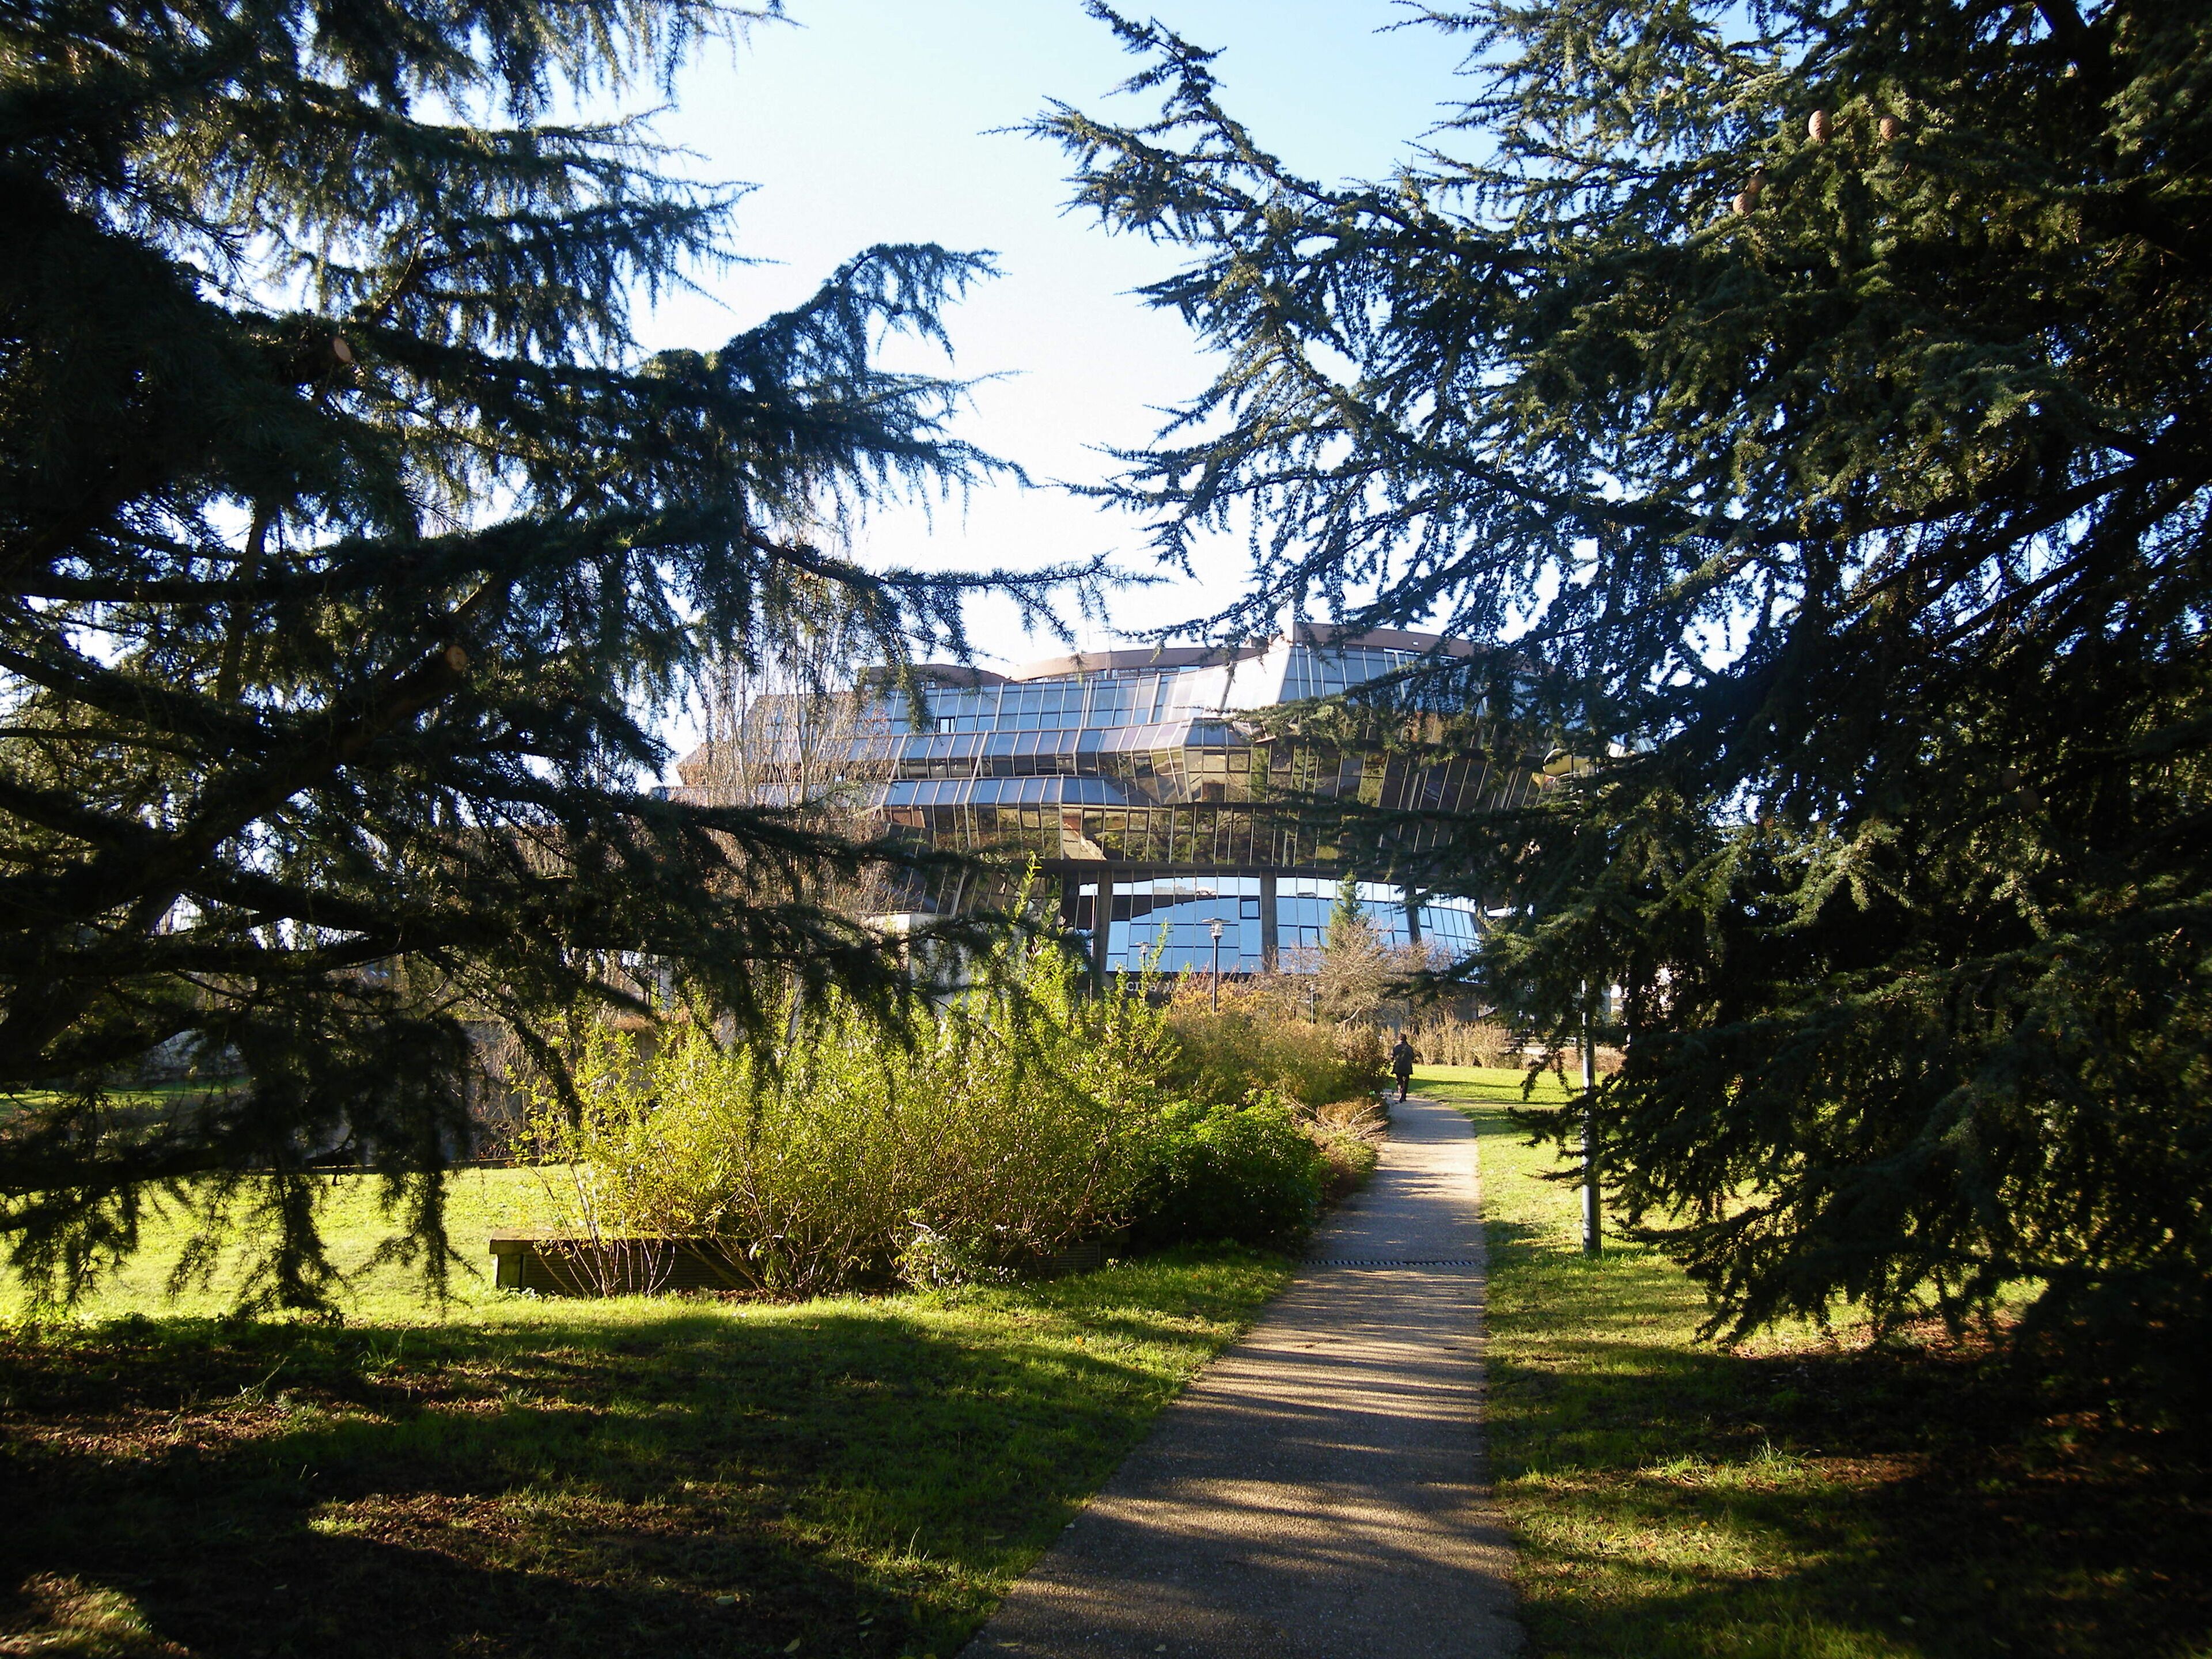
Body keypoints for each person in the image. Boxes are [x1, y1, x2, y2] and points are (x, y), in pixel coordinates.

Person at [1390, 1035, 1416, 1101]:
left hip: (1398, 1067)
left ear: (1399, 1039)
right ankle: (1404, 1095)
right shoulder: (1409, 1048)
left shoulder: (1396, 1047)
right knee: (1406, 1081)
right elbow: (1413, 1057)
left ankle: (1401, 1089)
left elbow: (1392, 1057)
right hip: (1407, 1067)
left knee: (1399, 1080)